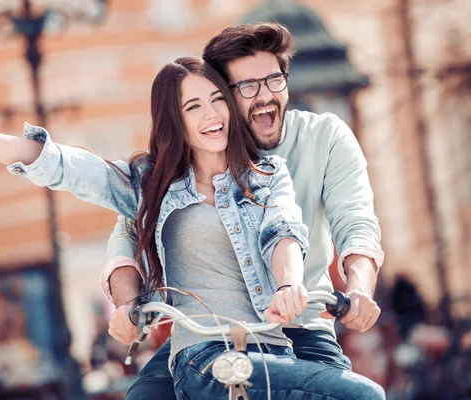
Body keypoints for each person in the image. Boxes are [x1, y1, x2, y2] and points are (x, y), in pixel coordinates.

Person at [0, 55, 383, 399]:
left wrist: (292, 284)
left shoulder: (268, 176)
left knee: (360, 393)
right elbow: (57, 163)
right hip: (203, 355)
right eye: (193, 106)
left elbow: (284, 233)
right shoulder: (148, 184)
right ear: (175, 120)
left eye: (215, 100)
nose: (211, 115)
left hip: (274, 346)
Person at [104, 22, 384, 399]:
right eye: (248, 87)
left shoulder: (325, 137)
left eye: (274, 80)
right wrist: (127, 305)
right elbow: (126, 232)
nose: (265, 96)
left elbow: (356, 222)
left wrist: (360, 290)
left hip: (302, 327)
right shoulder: (184, 160)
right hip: (212, 335)